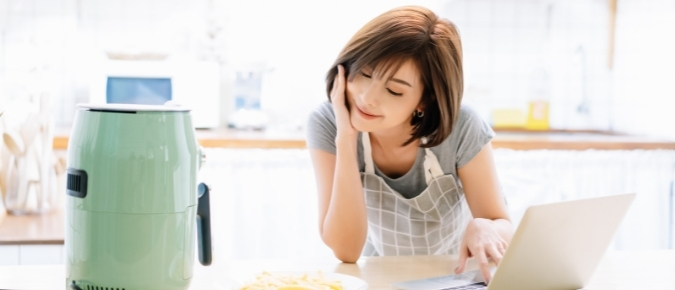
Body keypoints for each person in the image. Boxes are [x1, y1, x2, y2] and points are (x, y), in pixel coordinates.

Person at [306, 6, 513, 284]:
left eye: (394, 90)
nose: (368, 98)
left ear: (424, 101)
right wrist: (345, 137)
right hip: (382, 275)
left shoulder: (462, 126)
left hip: (457, 276)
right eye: (365, 74)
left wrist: (485, 226)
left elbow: (504, 227)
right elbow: (346, 250)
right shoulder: (328, 122)